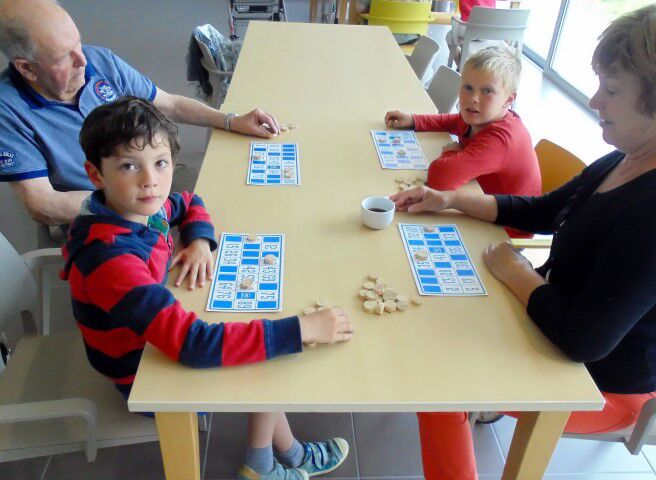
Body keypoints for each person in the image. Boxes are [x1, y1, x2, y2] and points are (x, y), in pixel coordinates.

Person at [390, 5, 656, 479]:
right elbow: (546, 210)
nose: (594, 101)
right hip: (550, 313)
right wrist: (450, 200)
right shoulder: (627, 156)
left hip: (601, 383)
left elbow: (584, 339)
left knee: (436, 381)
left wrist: (518, 273)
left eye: (612, 91)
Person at [60, 96, 354, 480]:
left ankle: (285, 454)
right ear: (96, 175)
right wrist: (303, 329)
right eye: (129, 166)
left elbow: (187, 202)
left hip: (150, 332)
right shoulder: (110, 258)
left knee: (259, 328)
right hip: (140, 371)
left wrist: (199, 240)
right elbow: (193, 346)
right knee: (271, 351)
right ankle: (263, 466)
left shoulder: (135, 207)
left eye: (160, 163)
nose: (150, 180)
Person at [0, 0, 280, 226]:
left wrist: (231, 121)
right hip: (101, 218)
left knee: (238, 195)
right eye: (64, 56)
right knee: (213, 235)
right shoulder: (7, 110)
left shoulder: (99, 60)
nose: (82, 60)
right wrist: (137, 204)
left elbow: (168, 103)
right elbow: (42, 204)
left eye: (78, 45)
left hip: (149, 183)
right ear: (27, 68)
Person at [385, 47, 540, 238]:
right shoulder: (481, 116)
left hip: (506, 230)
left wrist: (452, 152)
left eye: (487, 91)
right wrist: (414, 120)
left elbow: (440, 180)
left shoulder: (501, 140)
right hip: (480, 198)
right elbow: (452, 121)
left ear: (508, 100)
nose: (473, 99)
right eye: (468, 87)